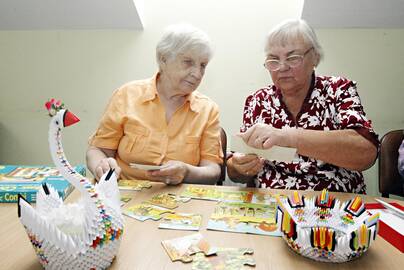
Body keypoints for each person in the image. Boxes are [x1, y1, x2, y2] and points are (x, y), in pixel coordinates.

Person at [227, 19, 378, 193]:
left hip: (333, 205)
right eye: (273, 60)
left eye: (293, 58)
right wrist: (238, 166)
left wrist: (287, 136)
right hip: (270, 204)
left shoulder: (338, 90)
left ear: (315, 57)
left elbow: (366, 152)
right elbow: (235, 173)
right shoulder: (258, 100)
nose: (282, 67)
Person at [86, 24, 222, 185]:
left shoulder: (208, 109)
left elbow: (213, 170)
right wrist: (101, 166)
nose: (197, 74)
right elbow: (98, 150)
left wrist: (186, 172)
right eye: (188, 62)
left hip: (179, 200)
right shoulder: (126, 95)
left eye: (203, 65)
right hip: (123, 193)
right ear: (163, 59)